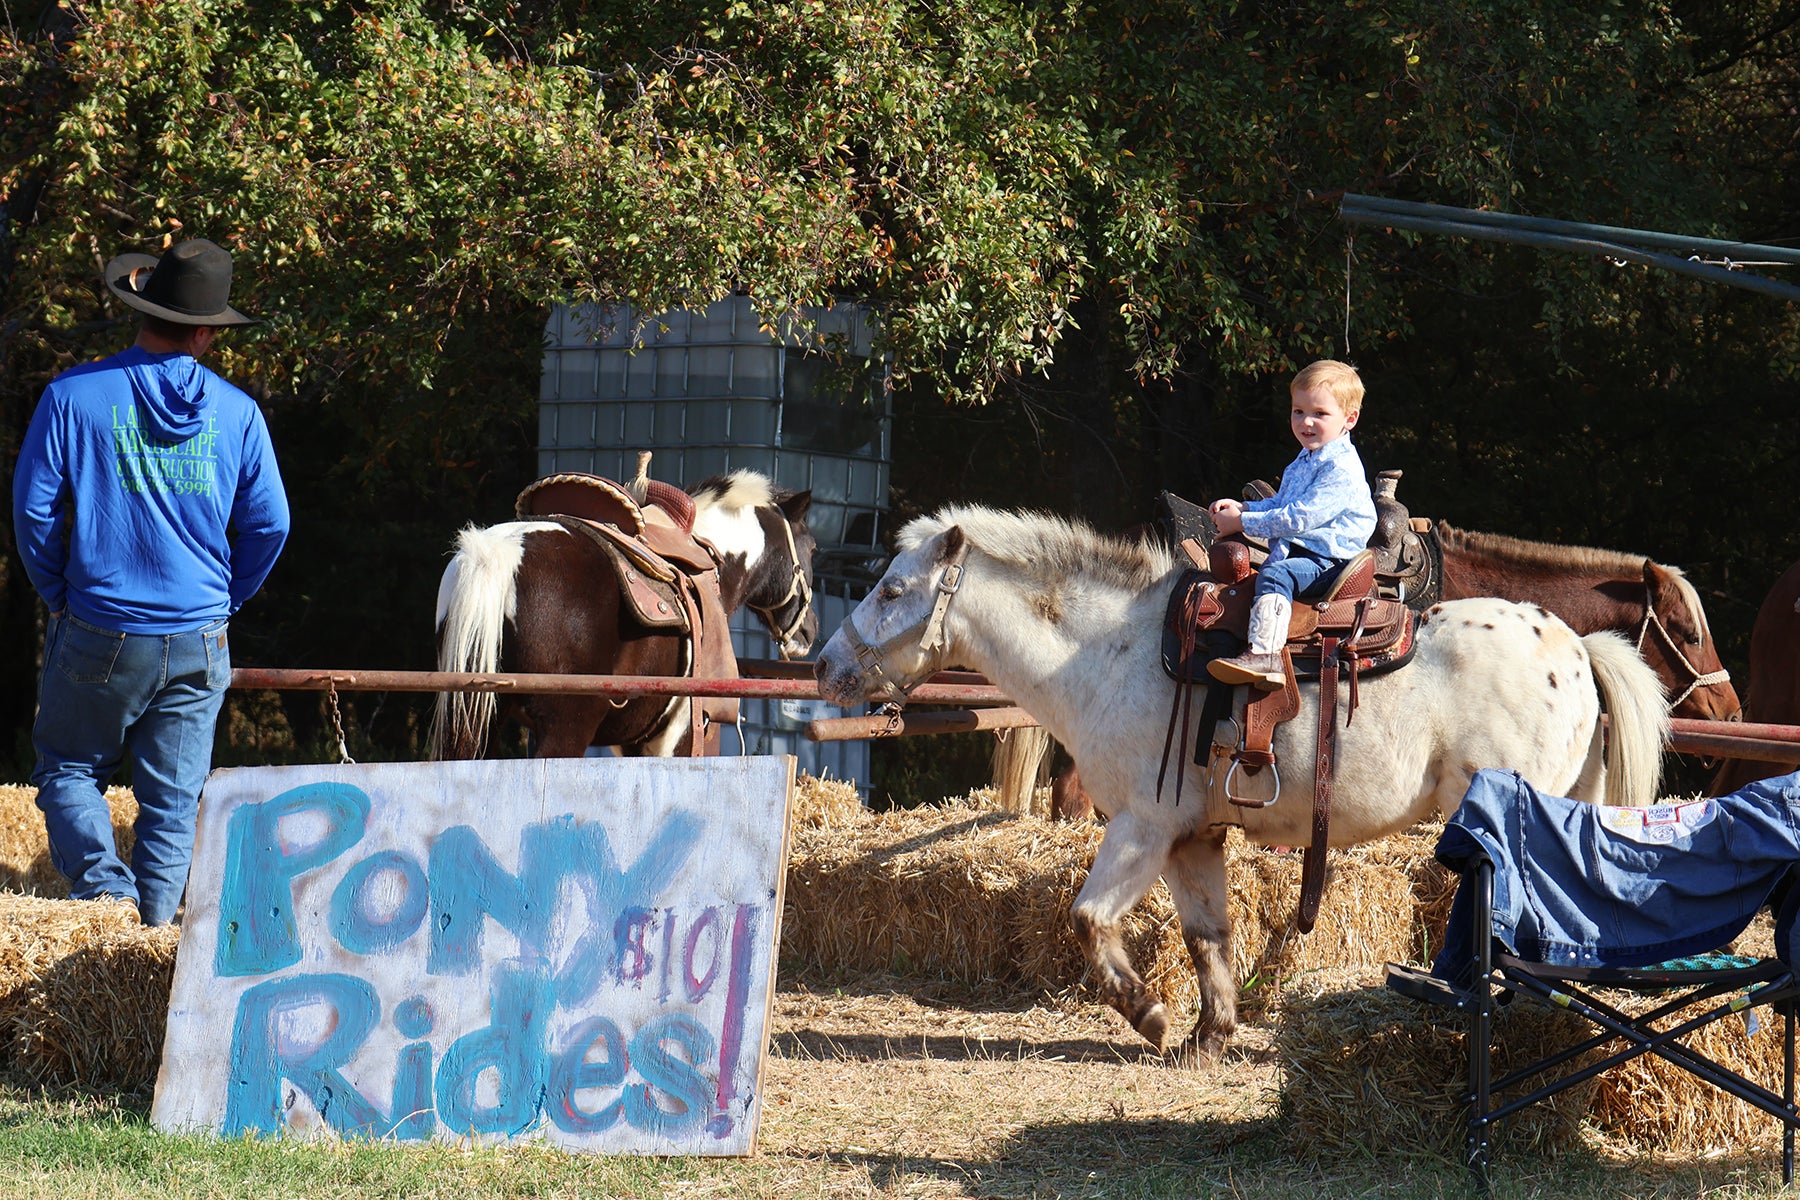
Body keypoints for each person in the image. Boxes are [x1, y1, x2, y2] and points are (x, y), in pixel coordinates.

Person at [12, 238, 290, 925]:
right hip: (199, 633)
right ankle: (152, 933)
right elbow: (272, 525)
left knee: (70, 769)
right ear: (202, 331)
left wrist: (58, 592)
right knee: (173, 801)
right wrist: (228, 598)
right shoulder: (239, 413)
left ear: (144, 309)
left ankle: (108, 900)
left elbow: (32, 510)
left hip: (101, 626)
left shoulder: (73, 396)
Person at [1206, 359, 1377, 689]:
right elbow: (1282, 505)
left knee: (1275, 573)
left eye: (1319, 414)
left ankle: (1266, 655)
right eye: (1298, 411)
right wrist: (1245, 506)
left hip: (1331, 560)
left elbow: (1300, 518)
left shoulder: (1341, 469)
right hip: (1307, 550)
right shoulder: (1304, 459)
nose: (1306, 421)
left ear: (1350, 419)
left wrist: (1241, 522)